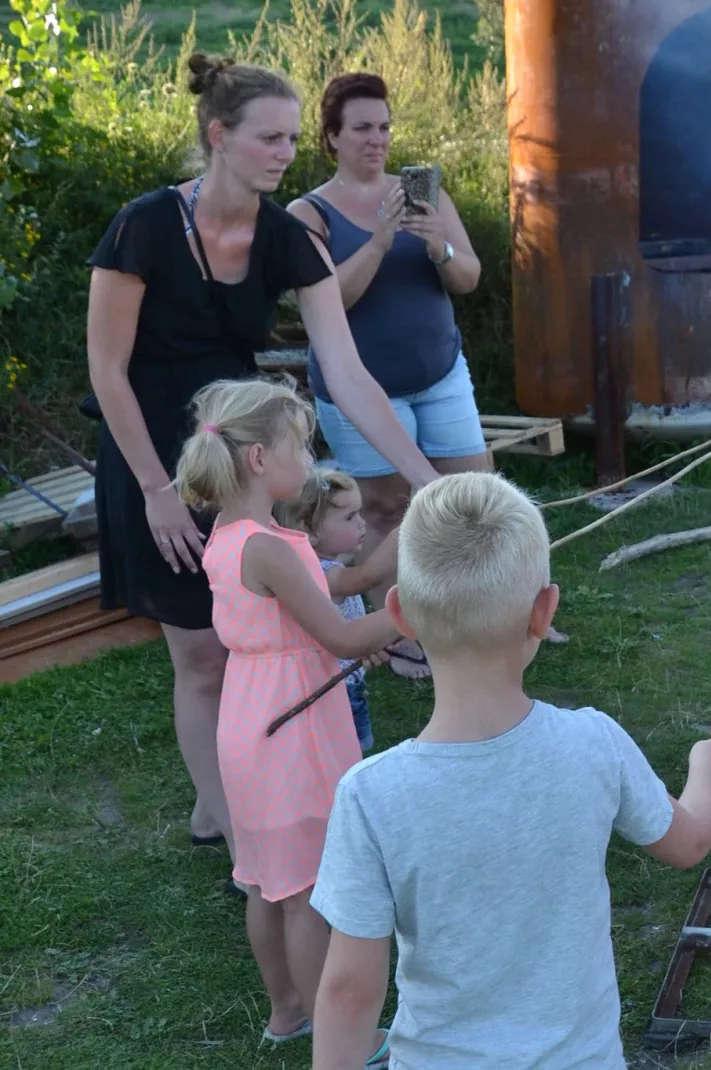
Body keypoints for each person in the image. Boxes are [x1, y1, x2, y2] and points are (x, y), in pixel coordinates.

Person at [85, 54, 437, 873]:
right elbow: (106, 370)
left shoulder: (285, 238)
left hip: (241, 458)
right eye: (269, 137)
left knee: (259, 640)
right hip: (151, 456)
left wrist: (425, 475)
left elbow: (345, 371)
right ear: (220, 137)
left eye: (290, 138)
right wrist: (155, 490)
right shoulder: (142, 228)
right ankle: (232, 827)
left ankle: (243, 805)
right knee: (200, 654)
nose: (286, 152)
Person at [309, 472, 711, 1069]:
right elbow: (688, 841)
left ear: (401, 614)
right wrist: (706, 768)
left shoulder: (371, 794)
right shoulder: (593, 743)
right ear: (544, 611)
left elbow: (350, 992)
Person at [173, 377, 396, 1063]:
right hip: (293, 728)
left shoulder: (232, 535)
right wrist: (412, 612)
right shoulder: (269, 547)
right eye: (299, 445)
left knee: (267, 880)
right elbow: (342, 638)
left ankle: (286, 1013)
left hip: (254, 712)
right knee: (305, 889)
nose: (309, 458)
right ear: (259, 461)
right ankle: (339, 1035)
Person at [288, 72, 497, 677]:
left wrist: (440, 247)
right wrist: (379, 241)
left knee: (478, 496)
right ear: (332, 137)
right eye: (361, 129)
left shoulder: (427, 195)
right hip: (359, 390)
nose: (377, 139)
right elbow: (333, 301)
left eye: (384, 126)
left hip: (440, 375)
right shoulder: (309, 214)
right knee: (383, 510)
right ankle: (400, 633)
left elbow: (469, 278)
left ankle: (494, 613)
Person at [276, 466, 402, 753]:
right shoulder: (319, 573)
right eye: (349, 517)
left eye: (359, 513)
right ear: (309, 531)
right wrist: (403, 535)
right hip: (334, 690)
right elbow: (366, 578)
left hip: (345, 682)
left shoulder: (321, 568)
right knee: (346, 757)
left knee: (351, 753)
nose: (362, 524)